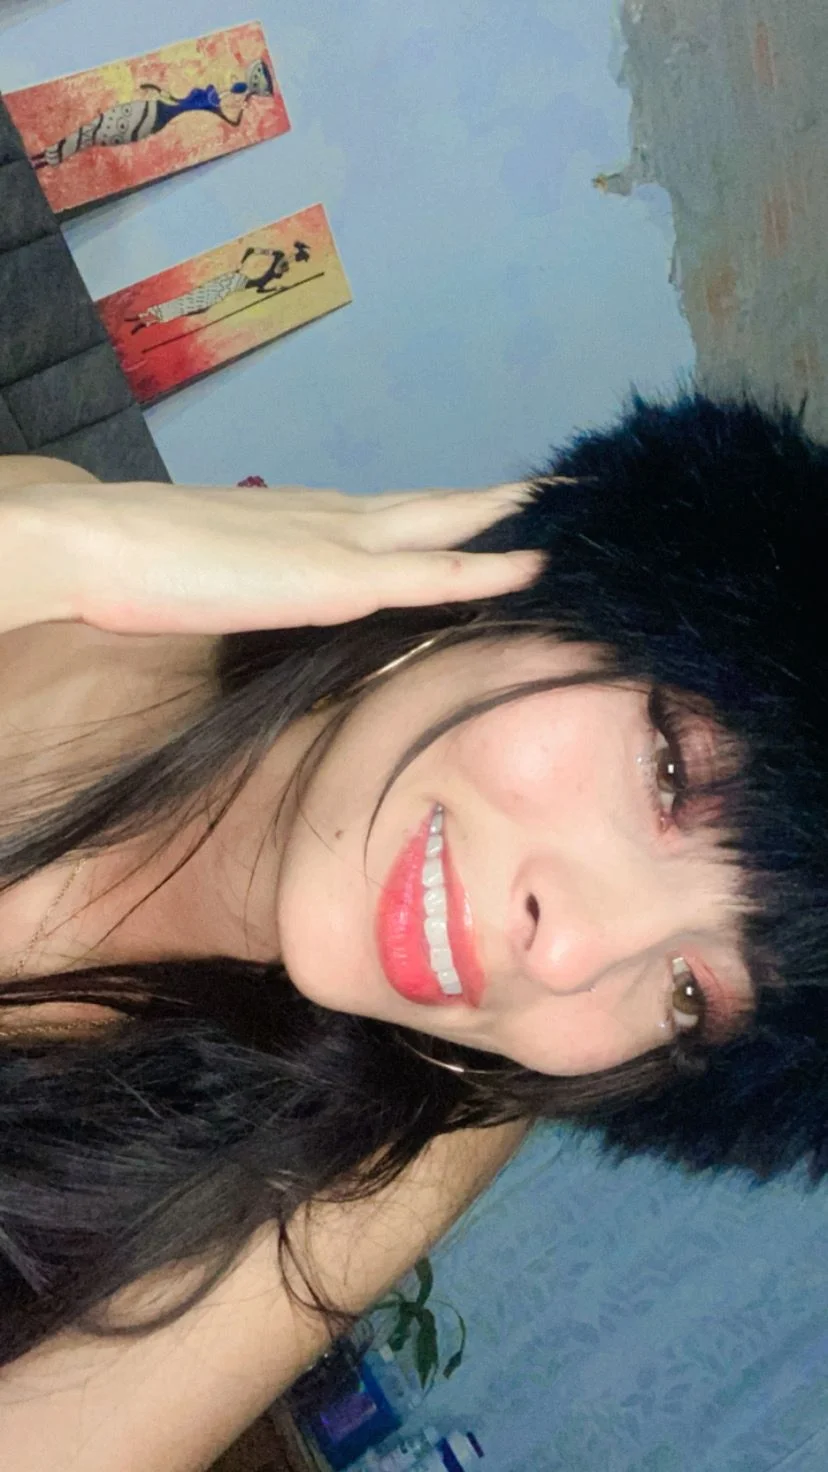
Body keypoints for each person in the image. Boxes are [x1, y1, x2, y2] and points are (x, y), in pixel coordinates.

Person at [0, 389, 825, 1468]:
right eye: (669, 771)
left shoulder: (377, 1134)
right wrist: (42, 554)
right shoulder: (56, 576)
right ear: (528, 593)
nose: (570, 954)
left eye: (688, 994)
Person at [29, 57, 274, 170]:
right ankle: (46, 156)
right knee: (92, 130)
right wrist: (156, 89)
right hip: (150, 109)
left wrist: (247, 97)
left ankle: (47, 158)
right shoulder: (210, 95)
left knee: (92, 134)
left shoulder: (213, 107)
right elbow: (175, 99)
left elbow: (233, 120)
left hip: (150, 120)